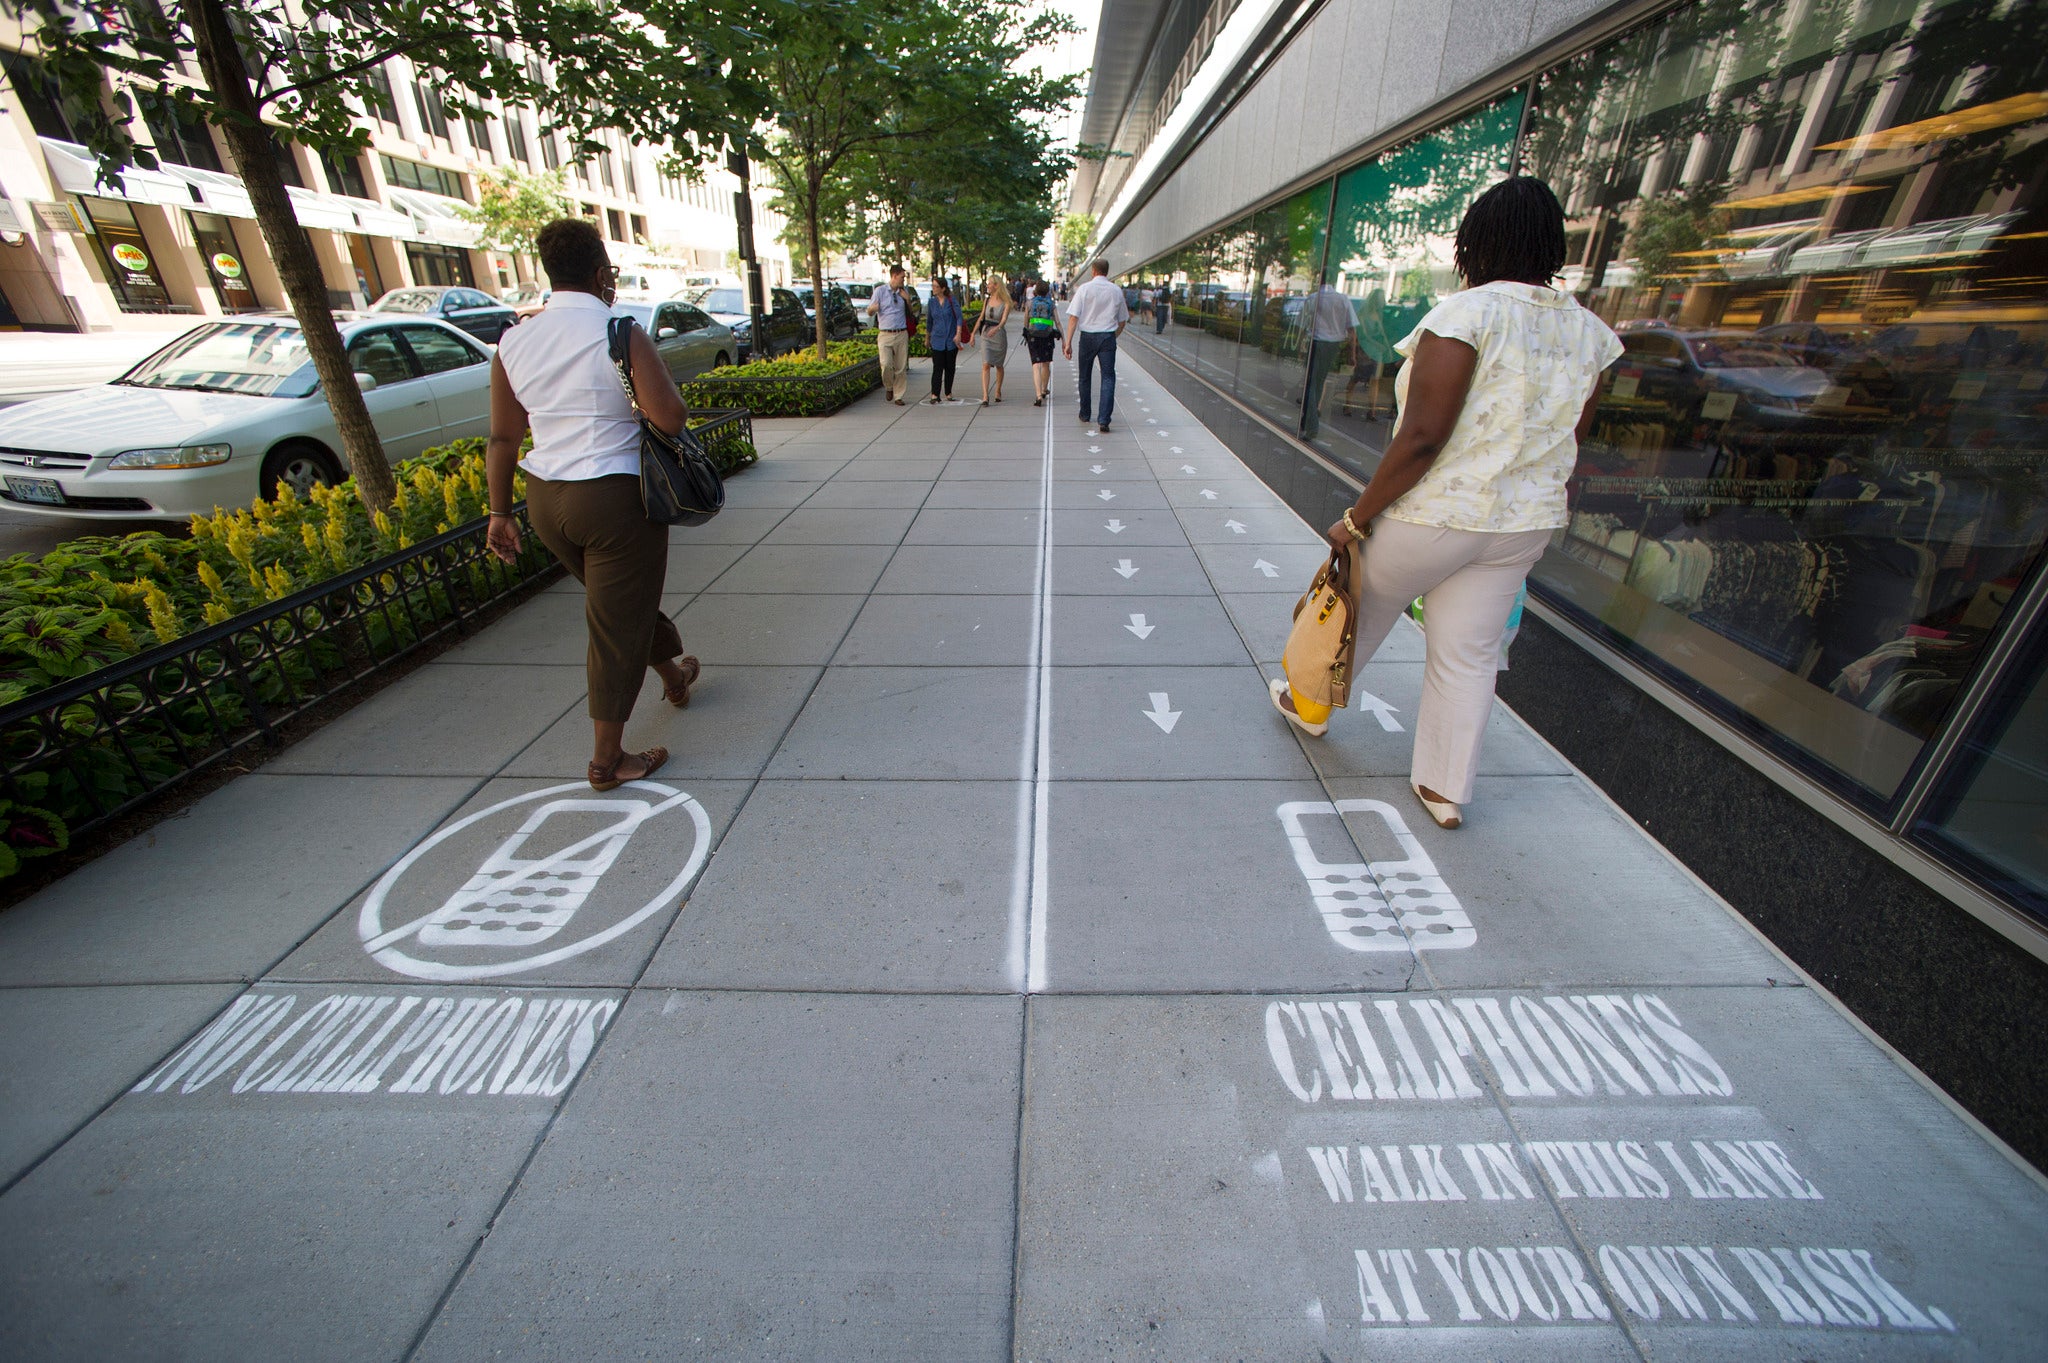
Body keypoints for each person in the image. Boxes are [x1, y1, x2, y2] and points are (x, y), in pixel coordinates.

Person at [1268, 176, 1622, 832]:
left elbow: (1423, 436)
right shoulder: (1590, 334)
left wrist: (1356, 516)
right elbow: (1569, 437)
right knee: (1469, 650)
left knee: (1356, 602)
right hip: (1523, 521)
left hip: (1439, 513)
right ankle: (1443, 786)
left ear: (1475, 242)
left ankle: (1307, 703)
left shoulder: (1466, 315)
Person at [485, 217, 699, 791]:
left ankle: (674, 677)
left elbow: (503, 438)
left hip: (544, 501)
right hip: (614, 499)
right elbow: (671, 417)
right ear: (602, 272)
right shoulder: (619, 330)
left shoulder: (514, 339)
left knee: (618, 606)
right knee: (613, 624)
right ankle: (608, 761)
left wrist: (499, 513)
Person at [1063, 258, 1129, 434]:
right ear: (1107, 271)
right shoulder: (1116, 291)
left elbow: (1073, 318)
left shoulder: (1084, 289)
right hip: (1107, 337)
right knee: (1108, 377)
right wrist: (1113, 336)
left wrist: (1068, 342)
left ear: (1093, 271)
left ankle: (1085, 413)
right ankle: (1104, 419)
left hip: (1087, 337)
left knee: (1084, 376)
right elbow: (1123, 321)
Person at [1301, 279, 1358, 439]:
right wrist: (1352, 354)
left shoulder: (1314, 298)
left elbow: (1304, 323)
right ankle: (1309, 420)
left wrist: (1300, 346)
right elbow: (1352, 329)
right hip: (1333, 345)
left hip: (1317, 342)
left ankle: (1311, 424)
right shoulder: (1343, 299)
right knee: (1319, 381)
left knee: (1311, 383)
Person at [866, 264, 915, 405]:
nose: (903, 280)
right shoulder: (880, 291)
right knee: (886, 364)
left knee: (900, 367)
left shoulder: (903, 292)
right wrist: (873, 309)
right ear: (894, 276)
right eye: (902, 277)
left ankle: (898, 395)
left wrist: (907, 300)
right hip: (885, 333)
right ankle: (889, 386)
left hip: (901, 332)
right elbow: (869, 311)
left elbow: (911, 313)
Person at [925, 276, 963, 405]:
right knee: (937, 367)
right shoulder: (931, 302)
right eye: (933, 286)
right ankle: (935, 394)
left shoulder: (951, 301)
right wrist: (927, 337)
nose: (933, 289)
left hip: (951, 340)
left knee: (949, 367)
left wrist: (958, 334)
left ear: (943, 288)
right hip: (937, 340)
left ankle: (948, 392)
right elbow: (929, 322)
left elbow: (959, 318)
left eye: (936, 286)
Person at [975, 273, 1012, 403]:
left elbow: (1004, 320)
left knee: (999, 365)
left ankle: (997, 390)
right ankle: (985, 395)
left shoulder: (1006, 302)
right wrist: (972, 334)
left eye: (989, 283)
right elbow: (981, 318)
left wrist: (996, 328)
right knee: (985, 364)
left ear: (996, 285)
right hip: (986, 334)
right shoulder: (986, 300)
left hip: (999, 336)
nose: (987, 286)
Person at [1023, 279, 1059, 405]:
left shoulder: (1029, 303)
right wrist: (1064, 338)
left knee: (1036, 365)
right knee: (1045, 364)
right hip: (1047, 336)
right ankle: (1044, 389)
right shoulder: (1051, 304)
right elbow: (1057, 321)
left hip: (1033, 335)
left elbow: (1026, 320)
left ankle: (1038, 395)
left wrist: (1026, 331)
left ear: (1035, 291)